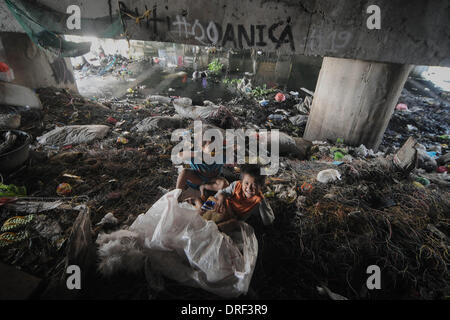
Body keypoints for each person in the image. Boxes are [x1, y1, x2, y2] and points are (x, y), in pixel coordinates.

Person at [195, 164, 275, 233]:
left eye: (254, 185)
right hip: (224, 206)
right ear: (241, 181)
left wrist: (263, 206)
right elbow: (222, 193)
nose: (249, 188)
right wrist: (221, 198)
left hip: (233, 217)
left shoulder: (259, 200)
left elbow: (268, 221)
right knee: (211, 202)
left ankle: (214, 231)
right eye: (246, 183)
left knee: (234, 223)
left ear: (261, 186)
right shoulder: (236, 185)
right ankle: (198, 213)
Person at [176, 136, 229, 201]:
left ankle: (204, 187)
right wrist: (196, 154)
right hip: (198, 179)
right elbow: (179, 155)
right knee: (184, 172)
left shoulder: (221, 154)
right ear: (202, 148)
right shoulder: (195, 155)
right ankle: (177, 196)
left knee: (224, 184)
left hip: (212, 181)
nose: (214, 150)